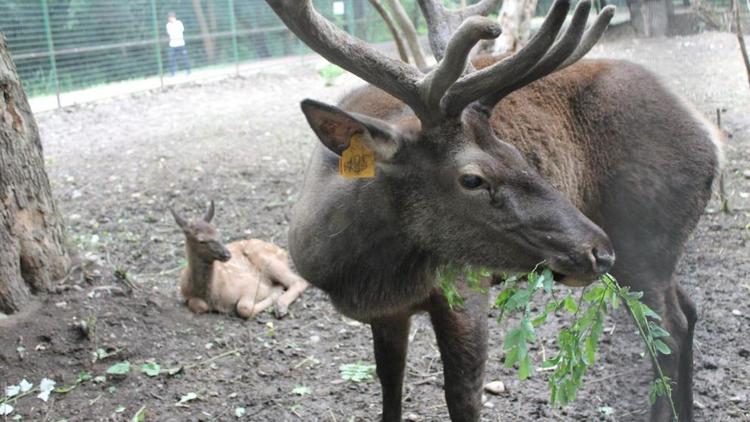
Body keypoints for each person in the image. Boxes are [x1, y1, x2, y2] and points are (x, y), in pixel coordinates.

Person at [166, 11, 190, 76]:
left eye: (170, 17)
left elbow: (180, 31)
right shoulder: (168, 25)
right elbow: (170, 33)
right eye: (169, 18)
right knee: (171, 59)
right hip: (172, 45)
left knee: (185, 57)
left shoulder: (179, 23)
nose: (169, 19)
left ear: (173, 17)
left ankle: (188, 71)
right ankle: (172, 73)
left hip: (181, 43)